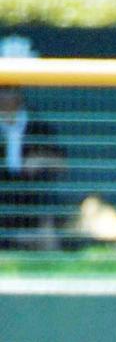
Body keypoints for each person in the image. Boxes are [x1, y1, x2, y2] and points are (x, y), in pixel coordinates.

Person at [0, 85, 66, 250]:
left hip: (33, 193)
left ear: (19, 95)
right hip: (3, 193)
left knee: (46, 209)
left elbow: (61, 163)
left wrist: (41, 159)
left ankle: (47, 248)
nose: (4, 97)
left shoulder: (38, 125)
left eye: (8, 91)